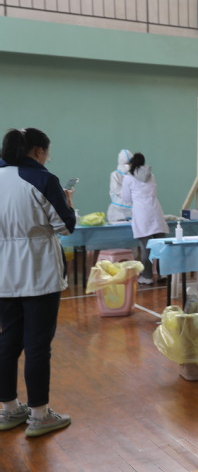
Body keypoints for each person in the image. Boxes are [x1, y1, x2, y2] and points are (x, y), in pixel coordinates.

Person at [0, 128, 74, 437]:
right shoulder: (43, 179)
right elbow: (65, 226)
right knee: (38, 345)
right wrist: (67, 203)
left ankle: (8, 409)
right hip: (39, 272)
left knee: (8, 341)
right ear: (38, 151)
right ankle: (40, 415)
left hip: (3, 275)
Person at [121, 153, 168, 284]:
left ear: (131, 163)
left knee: (145, 248)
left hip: (142, 215)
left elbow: (126, 198)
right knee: (160, 247)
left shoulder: (128, 178)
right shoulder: (151, 175)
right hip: (156, 212)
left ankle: (147, 277)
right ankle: (163, 274)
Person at [106, 149, 133, 222]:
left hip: (133, 210)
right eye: (126, 163)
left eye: (130, 163)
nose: (128, 165)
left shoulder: (133, 175)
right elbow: (117, 191)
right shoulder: (115, 175)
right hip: (118, 211)